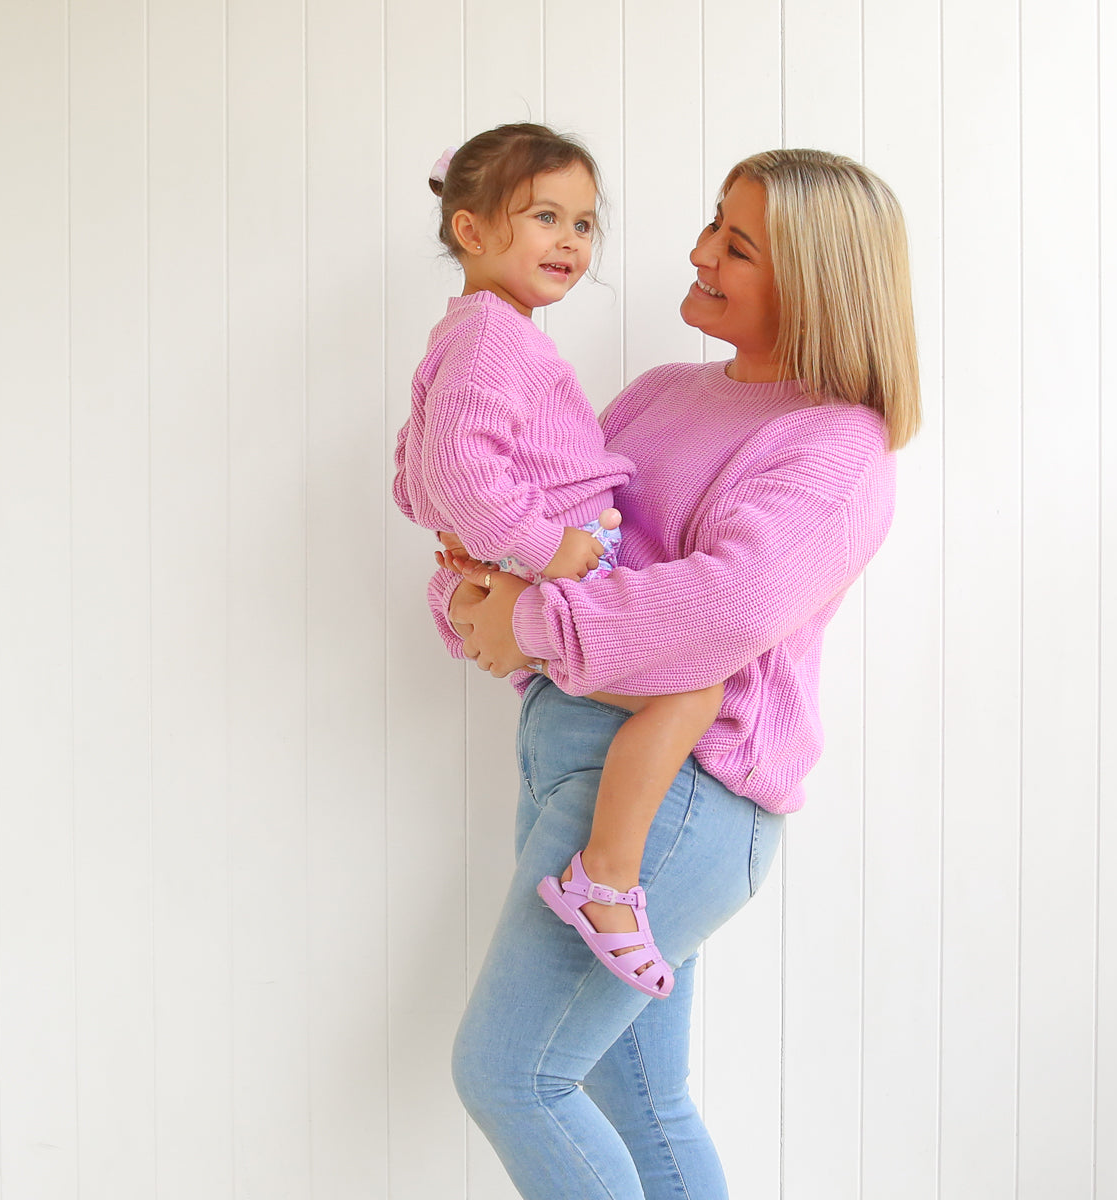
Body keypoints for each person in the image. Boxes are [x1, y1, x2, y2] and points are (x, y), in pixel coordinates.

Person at [430, 147, 921, 1198]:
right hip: (574, 760)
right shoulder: (661, 394)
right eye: (713, 223)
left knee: (512, 1075)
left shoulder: (838, 447)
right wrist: (477, 599)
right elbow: (550, 525)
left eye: (736, 245)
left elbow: (720, 611)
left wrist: (533, 621)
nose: (697, 252)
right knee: (631, 1097)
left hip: (683, 795)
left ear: (816, 282)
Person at [393, 123, 724, 999]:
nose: (571, 243)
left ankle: (609, 877)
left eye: (584, 224)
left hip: (530, 578)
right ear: (470, 231)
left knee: (682, 688)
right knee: (693, 688)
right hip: (547, 578)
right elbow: (455, 470)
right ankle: (604, 881)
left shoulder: (475, 335)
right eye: (546, 217)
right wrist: (549, 549)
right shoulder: (494, 340)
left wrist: (487, 541)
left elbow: (416, 469)